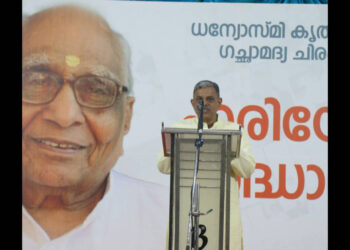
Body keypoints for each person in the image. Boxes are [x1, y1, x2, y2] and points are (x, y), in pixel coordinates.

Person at [22, 5, 168, 250]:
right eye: (36, 81)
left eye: (97, 89)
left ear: (127, 118)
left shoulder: (176, 224)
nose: (65, 115)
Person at [157, 80, 256, 250]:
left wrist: (226, 148)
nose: (204, 104)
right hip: (187, 208)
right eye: (200, 99)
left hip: (222, 213)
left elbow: (247, 170)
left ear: (219, 102)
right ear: (192, 103)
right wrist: (180, 146)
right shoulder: (180, 129)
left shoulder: (234, 131)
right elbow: (162, 165)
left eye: (210, 99)